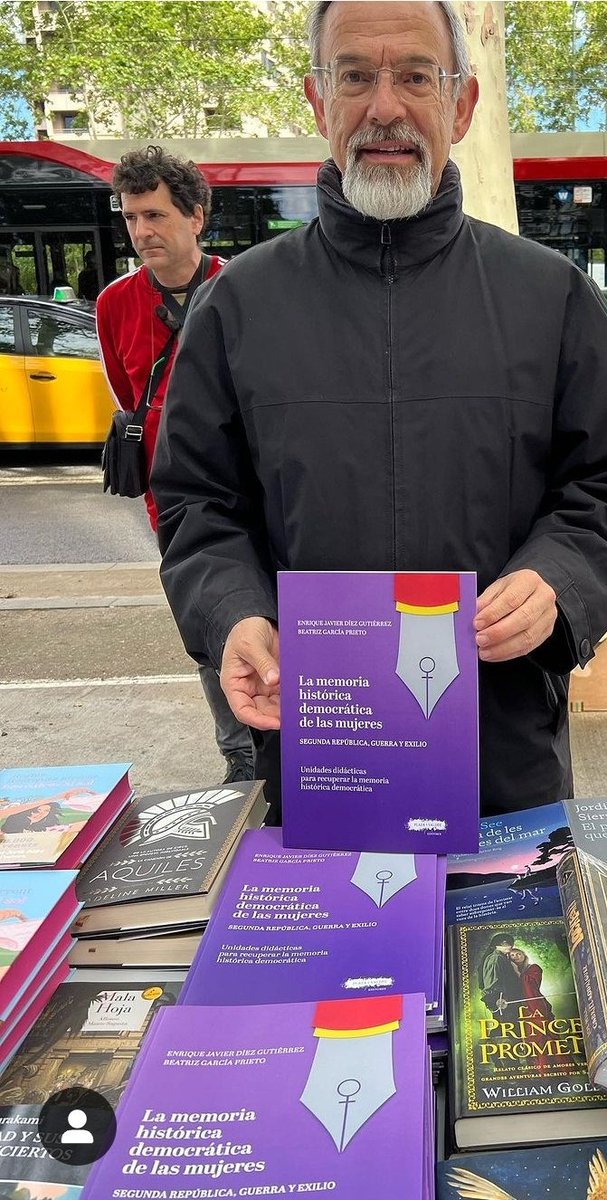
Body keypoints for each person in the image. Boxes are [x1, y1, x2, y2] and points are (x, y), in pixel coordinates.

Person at [152, 1, 607, 820]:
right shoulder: (238, 305)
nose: (384, 106)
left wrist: (557, 580)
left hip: (505, 762)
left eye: (415, 76)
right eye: (355, 75)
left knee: (512, 954)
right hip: (318, 755)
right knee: (343, 950)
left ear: (460, 105)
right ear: (319, 102)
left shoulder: (549, 296)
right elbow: (196, 504)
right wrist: (233, 615)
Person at [95, 146, 255, 785]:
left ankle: (296, 746)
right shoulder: (114, 305)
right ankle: (240, 760)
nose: (141, 233)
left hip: (254, 491)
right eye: (131, 218)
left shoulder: (246, 290)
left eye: (155, 215)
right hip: (176, 505)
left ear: (196, 216)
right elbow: (126, 394)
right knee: (210, 624)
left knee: (271, 616)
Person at [479, 931, 522, 1019]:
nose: (511, 946)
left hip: (507, 1000)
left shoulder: (501, 958)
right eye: (507, 943)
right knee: (504, 1026)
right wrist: (499, 999)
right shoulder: (496, 958)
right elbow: (492, 983)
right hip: (502, 1001)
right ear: (501, 944)